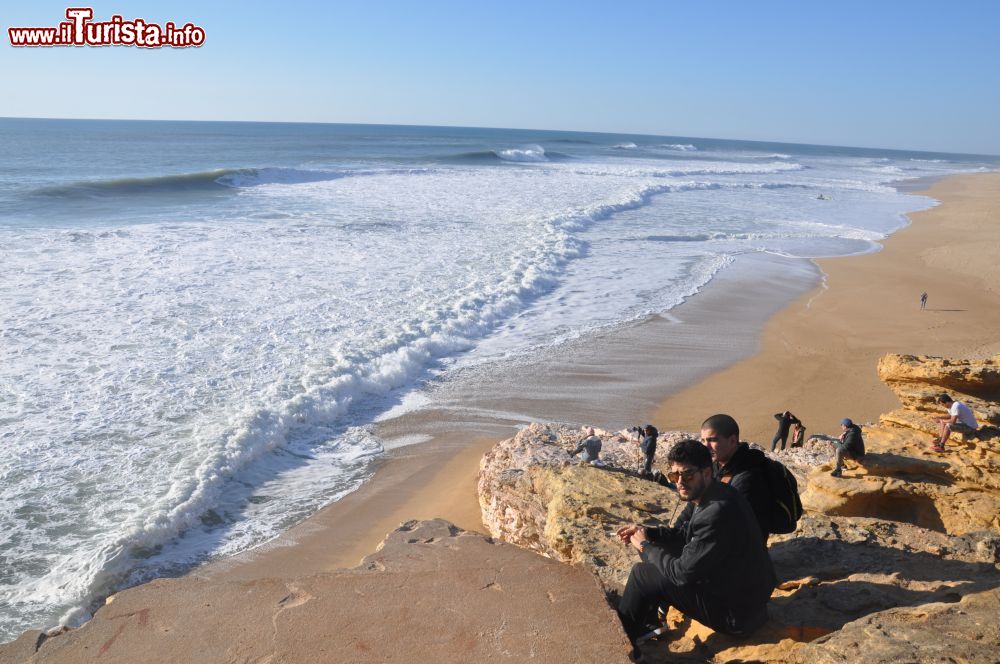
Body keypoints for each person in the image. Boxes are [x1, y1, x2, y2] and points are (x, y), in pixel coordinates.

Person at [616, 440, 776, 647]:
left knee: (641, 573)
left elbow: (681, 575)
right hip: (746, 600)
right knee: (657, 549)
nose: (680, 482)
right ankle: (648, 621)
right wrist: (647, 533)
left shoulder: (716, 512)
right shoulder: (714, 493)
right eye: (674, 476)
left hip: (738, 617)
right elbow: (682, 534)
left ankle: (625, 644)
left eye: (687, 475)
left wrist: (645, 546)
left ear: (707, 473)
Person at [700, 414, 770, 537]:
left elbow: (730, 520)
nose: (706, 446)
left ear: (732, 441)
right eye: (703, 440)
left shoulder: (748, 474)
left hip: (745, 546)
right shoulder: (718, 465)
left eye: (712, 440)